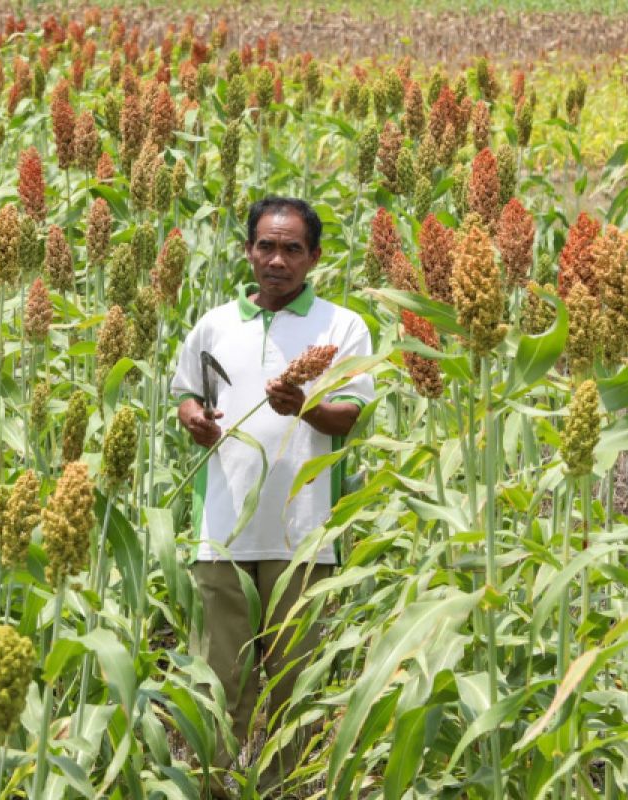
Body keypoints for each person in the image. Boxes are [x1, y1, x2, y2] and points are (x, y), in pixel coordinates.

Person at [170, 196, 374, 796]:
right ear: (247, 250)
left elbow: (351, 418)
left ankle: (289, 791)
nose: (276, 259)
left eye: (291, 249)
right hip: (223, 538)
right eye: (266, 245)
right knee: (216, 689)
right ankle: (211, 788)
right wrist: (193, 419)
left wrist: (306, 405)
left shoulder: (341, 326)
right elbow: (186, 393)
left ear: (314, 257)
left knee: (295, 694)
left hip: (304, 542)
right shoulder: (214, 323)